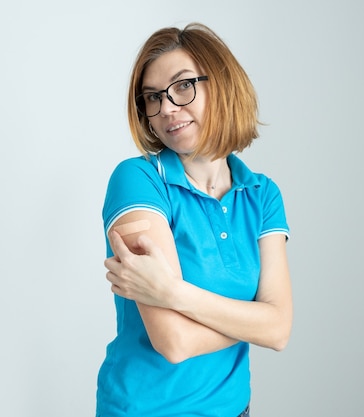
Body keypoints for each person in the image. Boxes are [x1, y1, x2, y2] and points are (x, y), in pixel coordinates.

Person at [96, 23, 292, 417]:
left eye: (182, 86)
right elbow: (174, 342)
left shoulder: (262, 194)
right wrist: (253, 319)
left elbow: (279, 330)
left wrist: (173, 294)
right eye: (152, 97)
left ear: (220, 84)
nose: (166, 107)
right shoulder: (138, 180)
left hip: (235, 407)